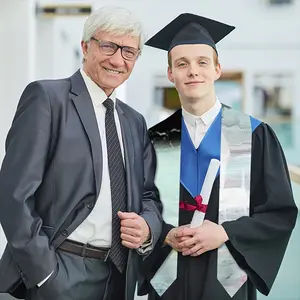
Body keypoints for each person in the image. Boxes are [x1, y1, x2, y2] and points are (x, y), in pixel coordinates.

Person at [0, 6, 163, 300]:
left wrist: (148, 227)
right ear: (85, 47)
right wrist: (44, 274)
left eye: (129, 51)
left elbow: (148, 194)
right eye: (108, 46)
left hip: (117, 276)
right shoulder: (48, 100)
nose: (117, 59)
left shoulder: (134, 121)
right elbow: (15, 196)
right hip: (59, 272)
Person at [138, 13, 298, 300]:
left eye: (202, 62)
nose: (193, 71)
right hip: (169, 281)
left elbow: (279, 213)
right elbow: (140, 205)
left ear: (217, 69)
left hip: (228, 282)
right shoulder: (155, 140)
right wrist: (164, 233)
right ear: (171, 74)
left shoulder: (254, 135)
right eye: (182, 64)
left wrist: (226, 233)